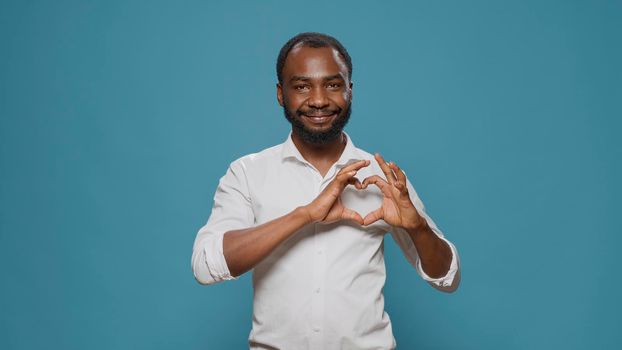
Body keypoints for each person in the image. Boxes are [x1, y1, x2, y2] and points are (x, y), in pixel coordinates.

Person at [191, 32, 461, 349]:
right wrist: (305, 215)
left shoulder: (382, 176)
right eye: (302, 86)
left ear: (350, 90)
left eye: (333, 85)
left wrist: (417, 227)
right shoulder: (248, 173)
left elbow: (447, 278)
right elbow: (206, 266)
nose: (319, 100)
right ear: (281, 93)